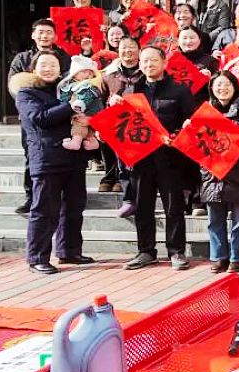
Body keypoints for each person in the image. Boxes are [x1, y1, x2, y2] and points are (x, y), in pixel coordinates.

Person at [12, 52, 92, 274]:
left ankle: (69, 251)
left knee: (74, 207)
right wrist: (70, 106)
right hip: (46, 159)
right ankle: (37, 257)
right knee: (44, 210)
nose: (48, 69)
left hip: (73, 158)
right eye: (43, 65)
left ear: (60, 69)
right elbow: (40, 118)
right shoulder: (26, 92)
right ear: (33, 69)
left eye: (53, 65)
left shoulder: (66, 89)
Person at [123, 47, 197, 272]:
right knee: (142, 207)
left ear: (165, 63)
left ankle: (176, 251)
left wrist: (177, 135)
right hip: (140, 160)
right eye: (145, 61)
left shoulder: (180, 90)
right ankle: (146, 251)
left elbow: (191, 123)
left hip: (170, 159)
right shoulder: (132, 90)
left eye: (154, 60)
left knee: (173, 207)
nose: (149, 64)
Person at [9, 19, 72, 214]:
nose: (44, 36)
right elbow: (14, 85)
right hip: (33, 116)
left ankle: (63, 195)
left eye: (48, 32)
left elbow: (72, 81)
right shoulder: (22, 58)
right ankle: (31, 196)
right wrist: (28, 107)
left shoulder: (64, 57)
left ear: (55, 36)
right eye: (41, 32)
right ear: (33, 35)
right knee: (32, 155)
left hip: (60, 113)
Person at [198, 72, 239, 274]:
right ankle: (218, 257)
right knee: (214, 220)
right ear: (211, 88)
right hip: (212, 175)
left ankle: (236, 258)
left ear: (235, 87)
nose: (222, 88)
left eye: (226, 84)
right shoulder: (204, 112)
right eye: (218, 85)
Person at [97, 37, 143, 196]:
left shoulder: (145, 72)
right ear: (118, 50)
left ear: (139, 50)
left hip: (139, 121)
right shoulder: (108, 75)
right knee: (106, 135)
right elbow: (100, 100)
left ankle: (124, 179)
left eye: (132, 47)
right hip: (115, 121)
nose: (127, 51)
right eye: (124, 47)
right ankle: (110, 176)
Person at [57, 57, 103, 151]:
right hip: (78, 111)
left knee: (78, 123)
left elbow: (88, 95)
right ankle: (92, 141)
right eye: (84, 72)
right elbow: (65, 96)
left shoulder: (89, 84)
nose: (87, 75)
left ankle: (76, 141)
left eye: (90, 73)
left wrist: (81, 102)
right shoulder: (68, 84)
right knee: (83, 125)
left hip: (90, 110)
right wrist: (64, 103)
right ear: (74, 72)